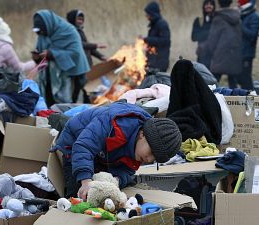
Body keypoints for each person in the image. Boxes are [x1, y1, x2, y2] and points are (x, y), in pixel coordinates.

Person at [51, 102, 182, 199]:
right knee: (78, 195)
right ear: (142, 134)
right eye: (151, 152)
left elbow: (127, 171)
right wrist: (85, 181)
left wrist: (117, 180)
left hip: (105, 155)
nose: (149, 159)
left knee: (114, 191)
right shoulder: (115, 124)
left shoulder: (139, 149)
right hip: (76, 144)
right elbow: (83, 147)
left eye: (154, 159)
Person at [32, 9, 90, 106]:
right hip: (50, 77)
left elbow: (75, 53)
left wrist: (51, 54)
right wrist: (37, 57)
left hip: (72, 75)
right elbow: (41, 50)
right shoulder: (44, 34)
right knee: (50, 106)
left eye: (42, 30)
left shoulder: (69, 31)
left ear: (48, 24)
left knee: (68, 106)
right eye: (39, 32)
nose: (41, 33)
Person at [66, 9, 106, 103]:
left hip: (85, 65)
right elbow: (81, 44)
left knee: (85, 87)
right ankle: (72, 105)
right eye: (78, 19)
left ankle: (86, 104)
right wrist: (96, 45)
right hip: (78, 65)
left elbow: (88, 48)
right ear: (72, 20)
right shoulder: (71, 32)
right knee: (78, 87)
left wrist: (101, 56)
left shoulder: (80, 31)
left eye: (82, 19)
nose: (80, 21)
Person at [202, 0, 242, 88]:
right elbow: (239, 37)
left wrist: (212, 52)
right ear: (230, 2)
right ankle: (234, 100)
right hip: (234, 54)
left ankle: (212, 100)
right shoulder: (237, 17)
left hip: (220, 55)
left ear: (219, 3)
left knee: (213, 83)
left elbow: (212, 39)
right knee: (233, 83)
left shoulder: (218, 18)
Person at [237, 0, 259, 90]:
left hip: (247, 54)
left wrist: (240, 25)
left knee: (246, 80)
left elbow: (252, 35)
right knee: (239, 79)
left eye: (240, 3)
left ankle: (252, 101)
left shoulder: (255, 17)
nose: (238, 4)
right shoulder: (243, 15)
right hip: (239, 53)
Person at [143, 1, 171, 72]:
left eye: (148, 14)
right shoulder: (154, 25)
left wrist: (147, 39)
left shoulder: (162, 24)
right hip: (152, 62)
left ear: (152, 13)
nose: (146, 16)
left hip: (160, 63)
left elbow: (165, 41)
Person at [191, 0, 216, 69]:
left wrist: (202, 33)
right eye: (206, 4)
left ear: (214, 7)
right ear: (203, 6)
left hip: (215, 55)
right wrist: (210, 33)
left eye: (211, 4)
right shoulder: (198, 20)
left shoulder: (218, 20)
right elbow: (194, 37)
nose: (208, 6)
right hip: (202, 55)